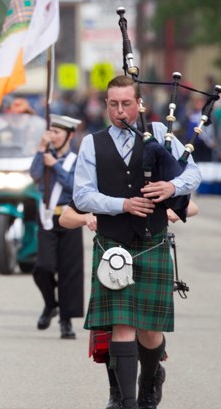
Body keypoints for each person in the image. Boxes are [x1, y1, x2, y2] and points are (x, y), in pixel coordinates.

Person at [73, 75, 202, 409]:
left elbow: (193, 175)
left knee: (150, 330)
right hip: (112, 243)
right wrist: (122, 204)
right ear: (105, 105)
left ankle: (150, 380)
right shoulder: (92, 143)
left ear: (139, 103)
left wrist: (171, 188)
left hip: (153, 241)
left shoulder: (160, 134)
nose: (120, 111)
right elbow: (82, 195)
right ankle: (127, 402)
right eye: (113, 104)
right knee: (123, 323)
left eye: (126, 103)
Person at [60, 201, 199, 409]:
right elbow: (65, 216)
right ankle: (118, 395)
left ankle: (149, 383)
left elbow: (192, 206)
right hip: (113, 254)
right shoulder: (102, 177)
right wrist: (86, 218)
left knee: (150, 332)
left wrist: (172, 211)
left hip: (150, 248)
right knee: (116, 327)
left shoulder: (154, 177)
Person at [29, 114, 84, 340]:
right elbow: (34, 175)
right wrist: (41, 150)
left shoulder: (77, 159)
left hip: (70, 217)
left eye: (57, 133)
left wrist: (57, 167)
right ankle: (51, 304)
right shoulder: (45, 155)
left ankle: (66, 321)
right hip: (48, 217)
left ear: (69, 135)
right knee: (43, 267)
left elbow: (75, 186)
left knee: (69, 271)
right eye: (51, 132)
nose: (52, 137)